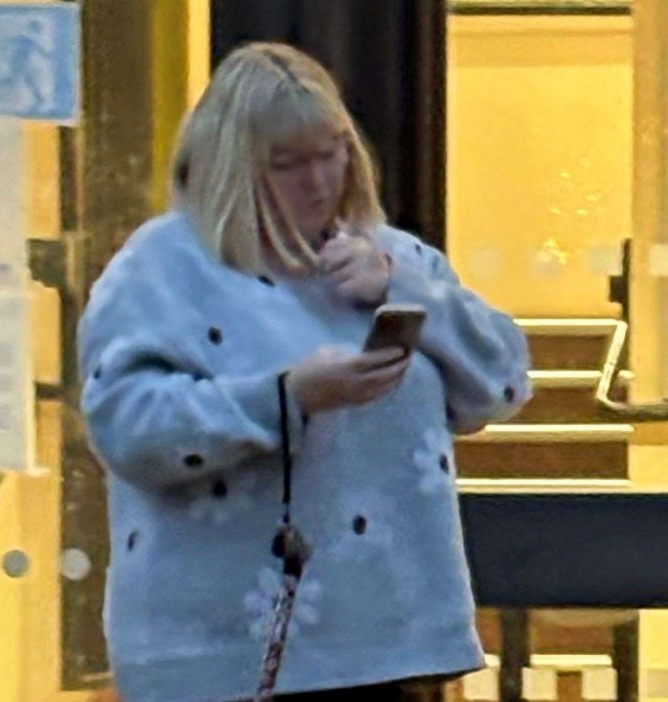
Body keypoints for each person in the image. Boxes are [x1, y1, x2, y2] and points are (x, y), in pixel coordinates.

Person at [78, 42, 531, 702]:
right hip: (221, 651)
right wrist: (284, 398)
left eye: (331, 153)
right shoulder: (163, 268)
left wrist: (409, 293)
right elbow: (128, 427)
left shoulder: (394, 259)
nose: (318, 181)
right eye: (287, 165)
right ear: (231, 167)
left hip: (389, 640)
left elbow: (502, 382)